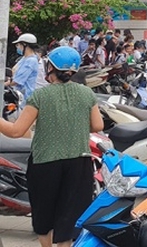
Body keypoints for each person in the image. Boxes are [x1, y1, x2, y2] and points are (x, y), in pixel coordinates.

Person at [0, 46, 102, 247]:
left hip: (45, 163)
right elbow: (98, 125)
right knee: (68, 215)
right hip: (78, 162)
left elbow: (16, 131)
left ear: (50, 68)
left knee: (44, 214)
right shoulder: (86, 93)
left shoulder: (40, 96)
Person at [6, 33, 39, 107]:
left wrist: (3, 84)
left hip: (24, 99)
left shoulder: (31, 61)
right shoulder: (24, 58)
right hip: (17, 95)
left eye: (18, 45)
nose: (17, 47)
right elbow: (13, 71)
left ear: (24, 45)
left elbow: (17, 81)